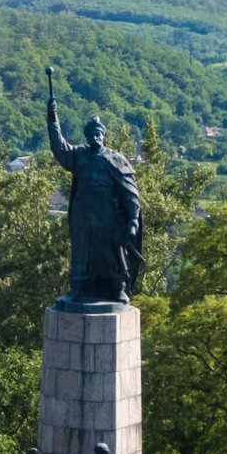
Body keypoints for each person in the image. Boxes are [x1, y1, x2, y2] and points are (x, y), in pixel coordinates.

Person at [45, 76, 143, 305]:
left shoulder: (115, 160)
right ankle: (79, 289)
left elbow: (130, 192)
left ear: (103, 135)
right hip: (83, 215)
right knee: (82, 252)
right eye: (91, 135)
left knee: (112, 254)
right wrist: (52, 119)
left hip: (108, 217)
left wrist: (133, 220)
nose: (94, 138)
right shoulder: (79, 156)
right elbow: (59, 148)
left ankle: (118, 288)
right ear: (87, 137)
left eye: (98, 134)